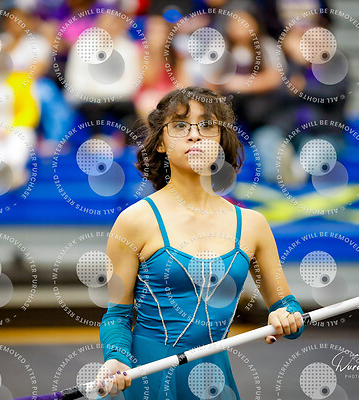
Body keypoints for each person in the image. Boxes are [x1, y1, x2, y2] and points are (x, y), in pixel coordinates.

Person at [98, 86, 304, 399]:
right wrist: (116, 357)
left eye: (207, 125)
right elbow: (117, 316)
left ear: (220, 141)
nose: (195, 135)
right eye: (180, 125)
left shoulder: (253, 225)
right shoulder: (134, 221)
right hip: (148, 382)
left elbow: (288, 308)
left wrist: (286, 317)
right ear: (161, 143)